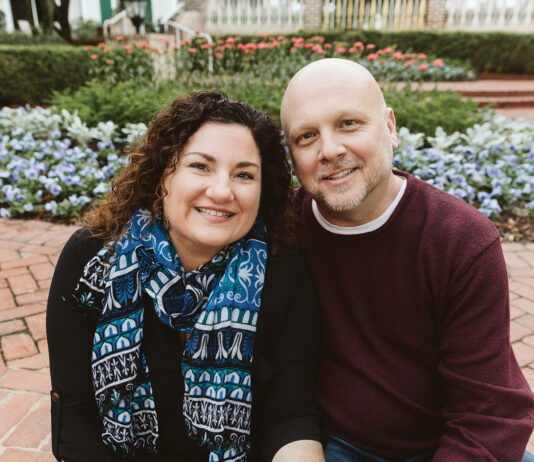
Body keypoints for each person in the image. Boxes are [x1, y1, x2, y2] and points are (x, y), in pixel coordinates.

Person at [47, 91, 325, 462]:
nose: (222, 191)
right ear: (164, 172)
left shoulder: (282, 270)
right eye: (200, 166)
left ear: (264, 190)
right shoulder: (91, 257)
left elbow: (290, 416)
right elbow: (77, 421)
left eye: (244, 174)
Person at [280, 58, 534, 462]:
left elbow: (487, 417)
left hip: (448, 443)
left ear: (390, 127)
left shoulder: (460, 240)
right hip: (336, 444)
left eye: (348, 123)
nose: (329, 149)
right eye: (306, 136)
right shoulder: (284, 231)